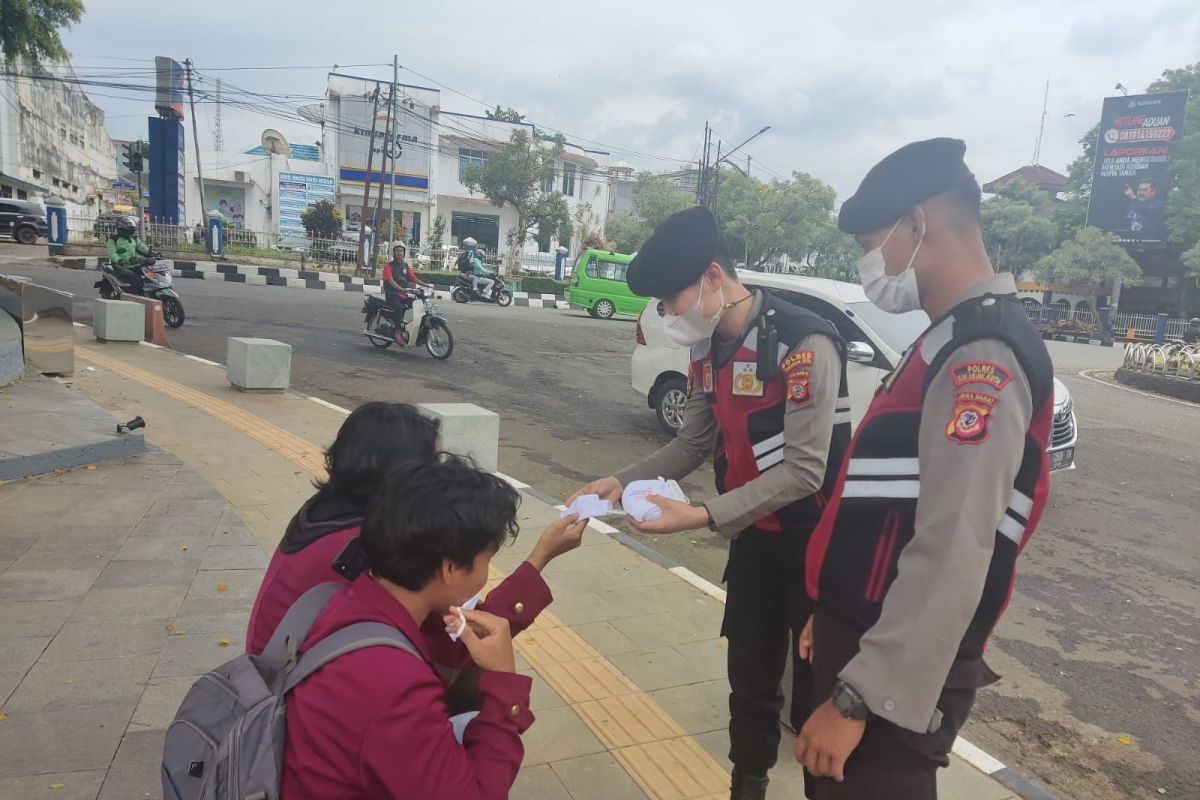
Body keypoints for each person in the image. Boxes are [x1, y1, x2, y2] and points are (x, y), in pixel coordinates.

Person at [795, 138, 1055, 799]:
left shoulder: (983, 354)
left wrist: (857, 698)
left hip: (889, 677)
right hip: (863, 635)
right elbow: (887, 509)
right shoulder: (945, 338)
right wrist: (829, 613)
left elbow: (954, 547)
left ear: (917, 224)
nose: (866, 266)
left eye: (870, 243)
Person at [567, 206, 851, 800]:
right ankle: (746, 786)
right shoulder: (708, 350)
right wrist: (617, 482)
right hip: (755, 543)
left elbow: (805, 470)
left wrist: (698, 516)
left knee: (815, 696)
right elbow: (694, 441)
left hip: (815, 549)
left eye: (671, 300)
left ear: (713, 278)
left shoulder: (802, 342)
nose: (668, 313)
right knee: (748, 683)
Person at [282, 456, 544, 799]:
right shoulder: (394, 683)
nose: (485, 575)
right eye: (486, 561)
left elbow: (446, 647)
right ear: (450, 567)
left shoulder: (352, 599)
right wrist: (503, 680)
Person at [246, 401, 587, 656]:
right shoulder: (370, 549)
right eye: (430, 466)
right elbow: (457, 647)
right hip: (296, 708)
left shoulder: (325, 512)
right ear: (401, 475)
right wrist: (540, 557)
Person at [381, 244, 429, 344]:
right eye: (397, 251)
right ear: (394, 253)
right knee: (399, 307)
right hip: (392, 295)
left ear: (404, 253)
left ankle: (418, 329)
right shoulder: (388, 266)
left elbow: (414, 278)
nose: (399, 253)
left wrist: (427, 285)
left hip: (403, 295)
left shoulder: (405, 266)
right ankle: (397, 332)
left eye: (401, 251)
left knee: (418, 304)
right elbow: (390, 281)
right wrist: (401, 289)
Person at [105, 219, 150, 288]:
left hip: (135, 265)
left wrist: (153, 253)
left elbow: (143, 249)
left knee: (149, 274)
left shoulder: (134, 239)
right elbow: (112, 254)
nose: (132, 230)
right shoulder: (113, 240)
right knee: (135, 278)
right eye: (129, 228)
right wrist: (121, 260)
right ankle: (133, 296)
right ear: (122, 229)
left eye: (132, 228)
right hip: (120, 266)